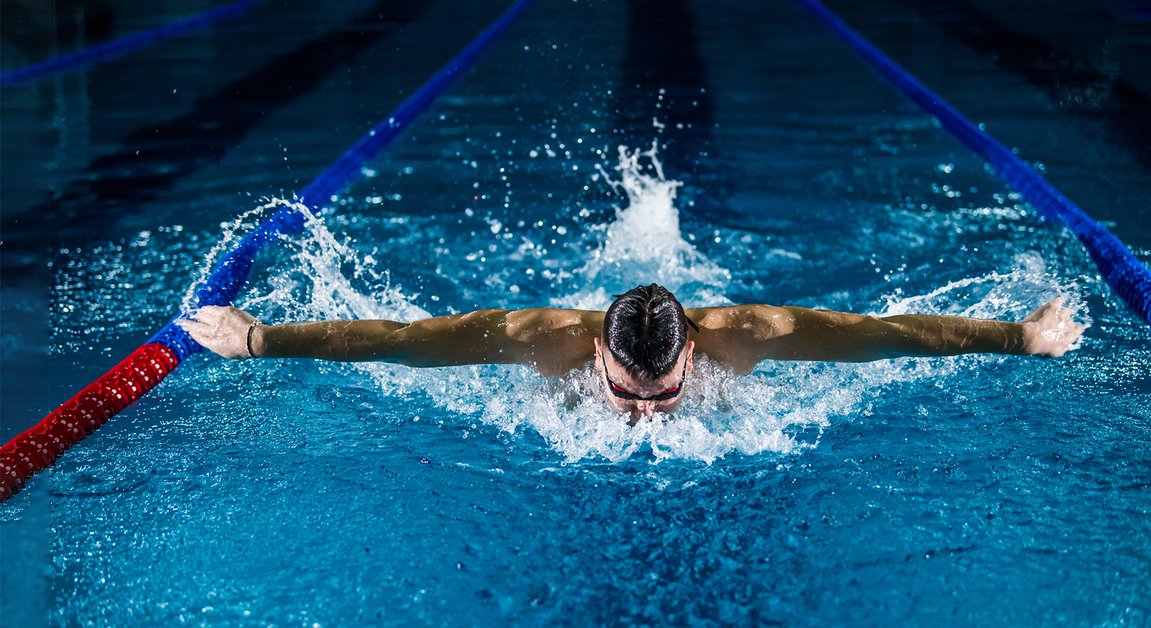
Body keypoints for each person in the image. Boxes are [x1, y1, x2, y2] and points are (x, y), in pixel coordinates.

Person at [178, 284, 1083, 422]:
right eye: (625, 393)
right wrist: (258, 339)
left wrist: (1021, 337)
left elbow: (887, 335)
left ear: (694, 351)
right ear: (595, 353)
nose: (644, 414)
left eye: (663, 394)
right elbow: (403, 343)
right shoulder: (538, 340)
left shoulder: (752, 334)